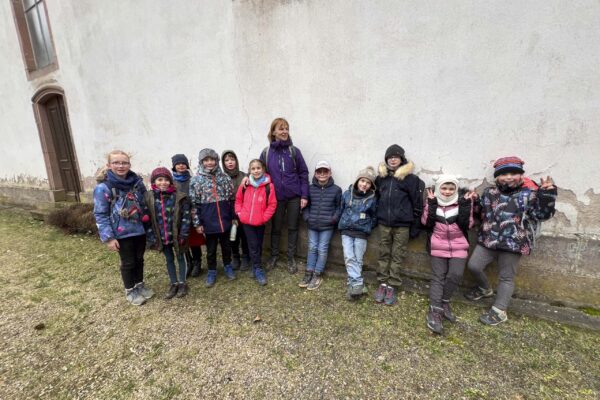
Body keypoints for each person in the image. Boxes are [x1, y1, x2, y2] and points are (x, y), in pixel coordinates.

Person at [465, 156, 557, 325]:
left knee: (506, 277)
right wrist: (474, 201)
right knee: (474, 265)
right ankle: (485, 289)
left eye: (513, 173)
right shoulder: (490, 193)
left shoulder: (530, 194)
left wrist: (547, 195)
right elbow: (481, 213)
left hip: (514, 242)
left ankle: (500, 311)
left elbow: (542, 215)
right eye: (503, 174)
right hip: (488, 239)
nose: (508, 177)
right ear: (497, 177)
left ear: (521, 175)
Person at [93, 150, 153, 306]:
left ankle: (139, 285)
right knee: (128, 263)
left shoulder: (137, 183)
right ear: (109, 165)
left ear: (129, 164)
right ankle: (130, 290)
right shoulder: (103, 188)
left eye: (124, 163)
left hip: (139, 230)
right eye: (116, 163)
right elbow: (100, 214)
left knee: (139, 260)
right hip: (121, 233)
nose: (121, 166)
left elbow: (145, 204)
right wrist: (109, 238)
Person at [421, 175, 476, 334]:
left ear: (456, 190)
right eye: (444, 188)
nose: (447, 191)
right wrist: (431, 205)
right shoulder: (432, 201)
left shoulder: (462, 202)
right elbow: (426, 222)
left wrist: (466, 207)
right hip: (438, 244)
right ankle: (435, 309)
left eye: (451, 188)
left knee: (456, 274)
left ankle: (444, 302)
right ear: (438, 188)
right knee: (438, 276)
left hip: (459, 245)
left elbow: (469, 224)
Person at [374, 144, 424, 306]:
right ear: (386, 160)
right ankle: (382, 282)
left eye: (396, 157)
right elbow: (375, 199)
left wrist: (416, 225)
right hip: (384, 224)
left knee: (397, 254)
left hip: (402, 225)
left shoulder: (410, 179)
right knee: (383, 252)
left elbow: (417, 203)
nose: (393, 159)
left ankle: (392, 284)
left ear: (401, 159)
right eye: (390, 157)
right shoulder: (381, 178)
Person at [260, 118, 310, 274]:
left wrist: (304, 195)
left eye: (287, 128)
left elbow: (303, 173)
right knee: (275, 228)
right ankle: (274, 256)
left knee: (293, 228)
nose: (284, 131)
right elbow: (260, 174)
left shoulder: (294, 151)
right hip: (276, 198)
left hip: (294, 197)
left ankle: (290, 258)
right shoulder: (266, 153)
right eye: (281, 129)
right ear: (273, 131)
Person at [189, 148, 235, 288]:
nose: (209, 162)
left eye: (212, 160)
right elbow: (194, 204)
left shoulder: (224, 178)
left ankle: (227, 265)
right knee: (211, 249)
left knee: (227, 246)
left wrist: (233, 217)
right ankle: (212, 270)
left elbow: (231, 198)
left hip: (225, 220)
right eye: (206, 160)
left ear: (216, 161)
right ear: (202, 162)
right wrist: (197, 223)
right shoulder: (196, 180)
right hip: (209, 222)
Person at [145, 167, 191, 299]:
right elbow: (147, 219)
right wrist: (151, 236)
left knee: (181, 257)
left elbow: (186, 217)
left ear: (170, 181)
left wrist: (183, 234)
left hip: (177, 236)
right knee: (169, 259)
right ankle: (173, 283)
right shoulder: (149, 197)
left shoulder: (180, 197)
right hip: (161, 236)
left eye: (166, 180)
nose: (163, 183)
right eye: (160, 180)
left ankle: (182, 283)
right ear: (154, 181)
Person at [299, 161, 342, 290]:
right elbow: (306, 206)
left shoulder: (336, 190)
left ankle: (318, 274)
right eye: (319, 171)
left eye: (325, 171)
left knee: (322, 249)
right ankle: (309, 272)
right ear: (316, 174)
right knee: (312, 247)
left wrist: (333, 219)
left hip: (327, 226)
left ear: (330, 173)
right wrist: (307, 217)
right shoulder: (310, 189)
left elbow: (339, 207)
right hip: (312, 225)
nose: (322, 174)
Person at [234, 159, 277, 285]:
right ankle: (258, 269)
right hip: (247, 222)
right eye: (253, 168)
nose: (256, 171)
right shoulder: (245, 184)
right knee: (253, 245)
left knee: (258, 245)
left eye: (258, 168)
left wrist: (264, 218)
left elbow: (272, 204)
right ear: (249, 170)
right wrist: (240, 214)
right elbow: (238, 200)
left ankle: (254, 264)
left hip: (260, 222)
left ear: (263, 169)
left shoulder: (269, 186)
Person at [338, 167, 378, 301]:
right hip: (346, 231)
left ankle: (353, 285)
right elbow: (341, 209)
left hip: (361, 233)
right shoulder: (347, 194)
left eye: (368, 182)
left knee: (358, 259)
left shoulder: (372, 198)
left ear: (371, 185)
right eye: (362, 180)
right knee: (349, 257)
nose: (364, 184)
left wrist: (367, 225)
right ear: (357, 181)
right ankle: (359, 283)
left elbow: (374, 216)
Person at [171, 154, 205, 277]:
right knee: (182, 240)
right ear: (174, 166)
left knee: (194, 240)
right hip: (178, 216)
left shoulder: (193, 180)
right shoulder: (171, 182)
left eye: (183, 163)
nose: (181, 165)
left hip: (192, 214)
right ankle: (188, 262)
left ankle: (197, 262)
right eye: (178, 163)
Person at [222, 150, 250, 271]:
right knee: (232, 235)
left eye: (232, 159)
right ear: (223, 163)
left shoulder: (244, 176)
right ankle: (235, 256)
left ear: (236, 161)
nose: (230, 162)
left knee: (244, 234)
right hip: (228, 209)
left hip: (243, 209)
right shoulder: (221, 178)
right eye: (227, 160)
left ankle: (245, 256)